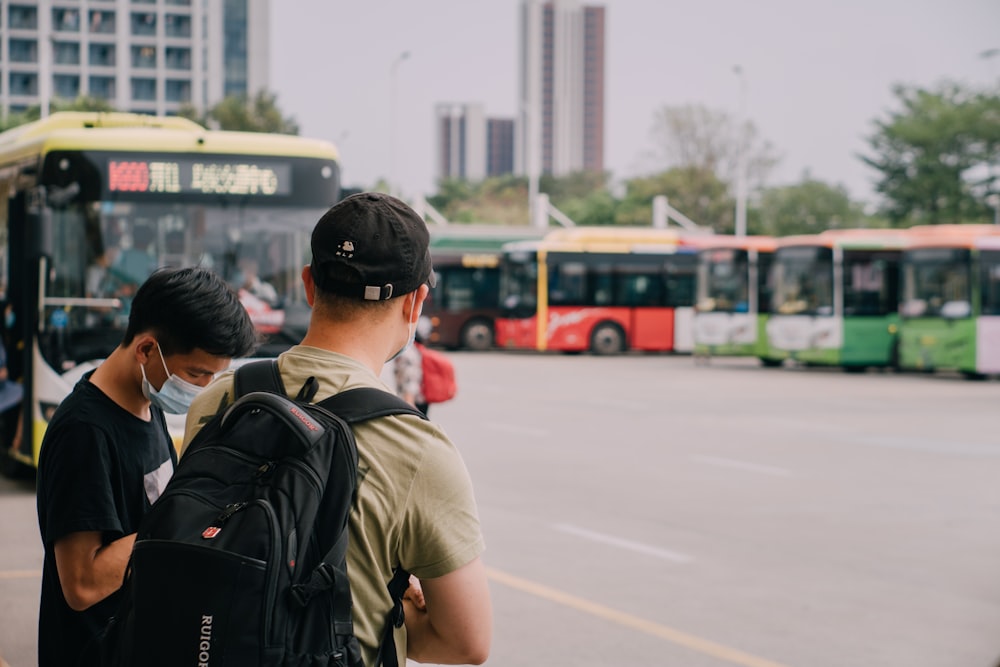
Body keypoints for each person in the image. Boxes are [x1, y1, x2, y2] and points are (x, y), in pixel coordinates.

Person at [182, 192, 492, 666]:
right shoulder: (417, 447)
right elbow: (466, 643)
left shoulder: (219, 398)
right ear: (416, 303)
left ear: (309, 284)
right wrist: (393, 606)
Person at [35, 267, 258, 667]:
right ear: (146, 350)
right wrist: (190, 518)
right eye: (196, 373)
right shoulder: (84, 432)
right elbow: (81, 585)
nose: (204, 387)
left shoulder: (146, 406)